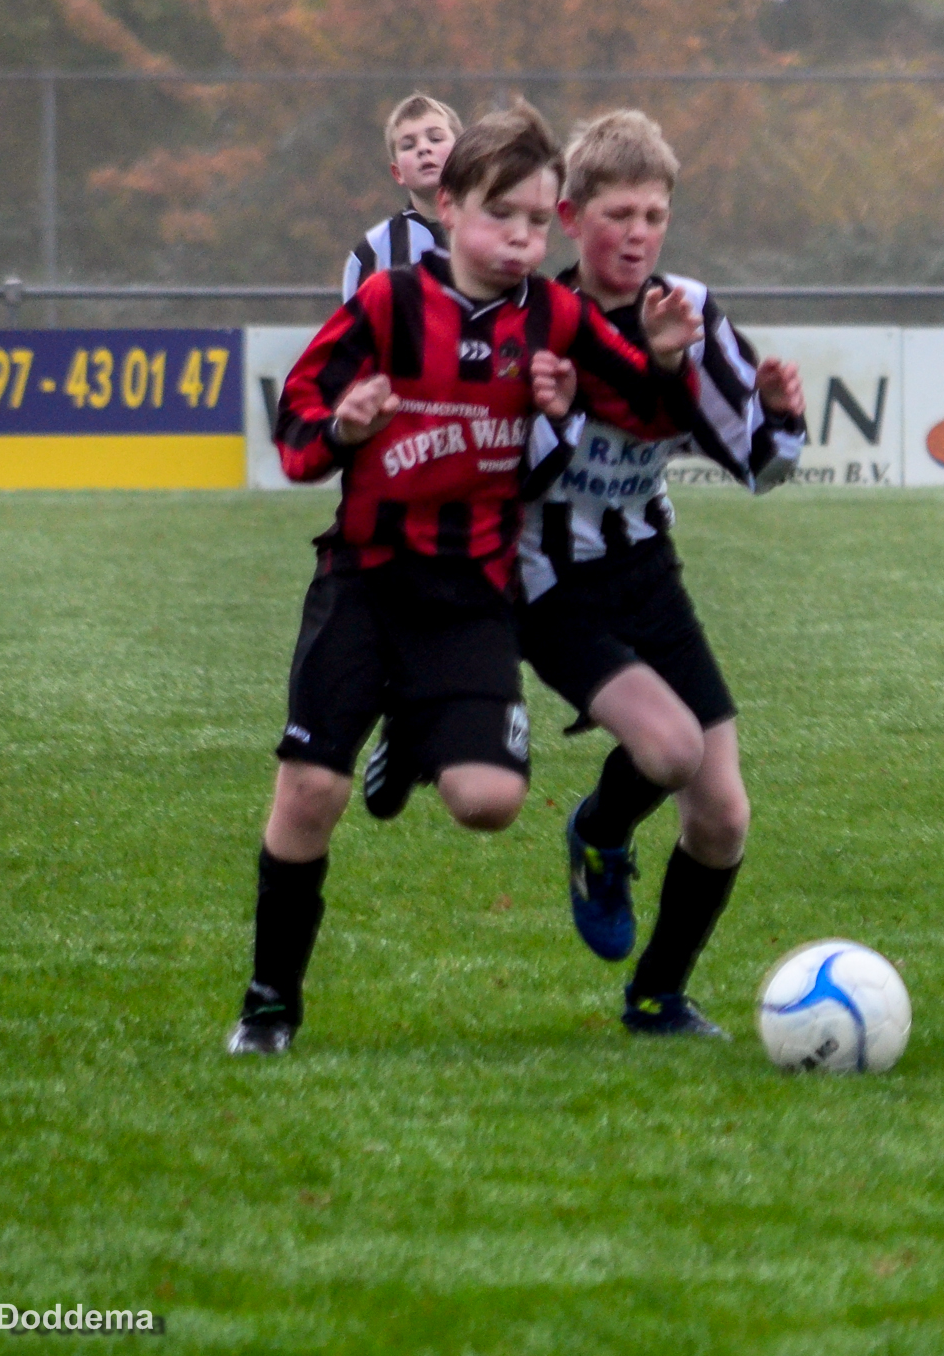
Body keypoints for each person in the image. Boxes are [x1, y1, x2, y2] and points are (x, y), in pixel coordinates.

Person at [230, 100, 703, 1056]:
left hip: (471, 595)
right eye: (500, 216)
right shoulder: (386, 304)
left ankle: (413, 722)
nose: (522, 238)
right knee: (311, 791)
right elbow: (296, 423)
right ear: (446, 208)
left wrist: (659, 363)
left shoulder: (556, 316)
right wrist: (343, 430)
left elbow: (643, 414)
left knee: (488, 803)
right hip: (365, 580)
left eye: (536, 220)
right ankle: (269, 1004)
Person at [512, 108, 806, 1037]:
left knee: (721, 816)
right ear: (570, 218)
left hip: (646, 570)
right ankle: (600, 831)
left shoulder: (689, 309)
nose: (638, 235)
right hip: (550, 588)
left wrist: (776, 413)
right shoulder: (535, 321)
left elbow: (761, 468)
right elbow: (513, 471)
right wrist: (606, 388)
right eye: (618, 215)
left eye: (654, 216)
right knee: (672, 751)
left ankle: (657, 997)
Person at [341, 93, 461, 301]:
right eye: (408, 145)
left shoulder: (494, 232)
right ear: (397, 173)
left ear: (463, 154)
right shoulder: (374, 250)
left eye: (435, 138)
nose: (423, 148)